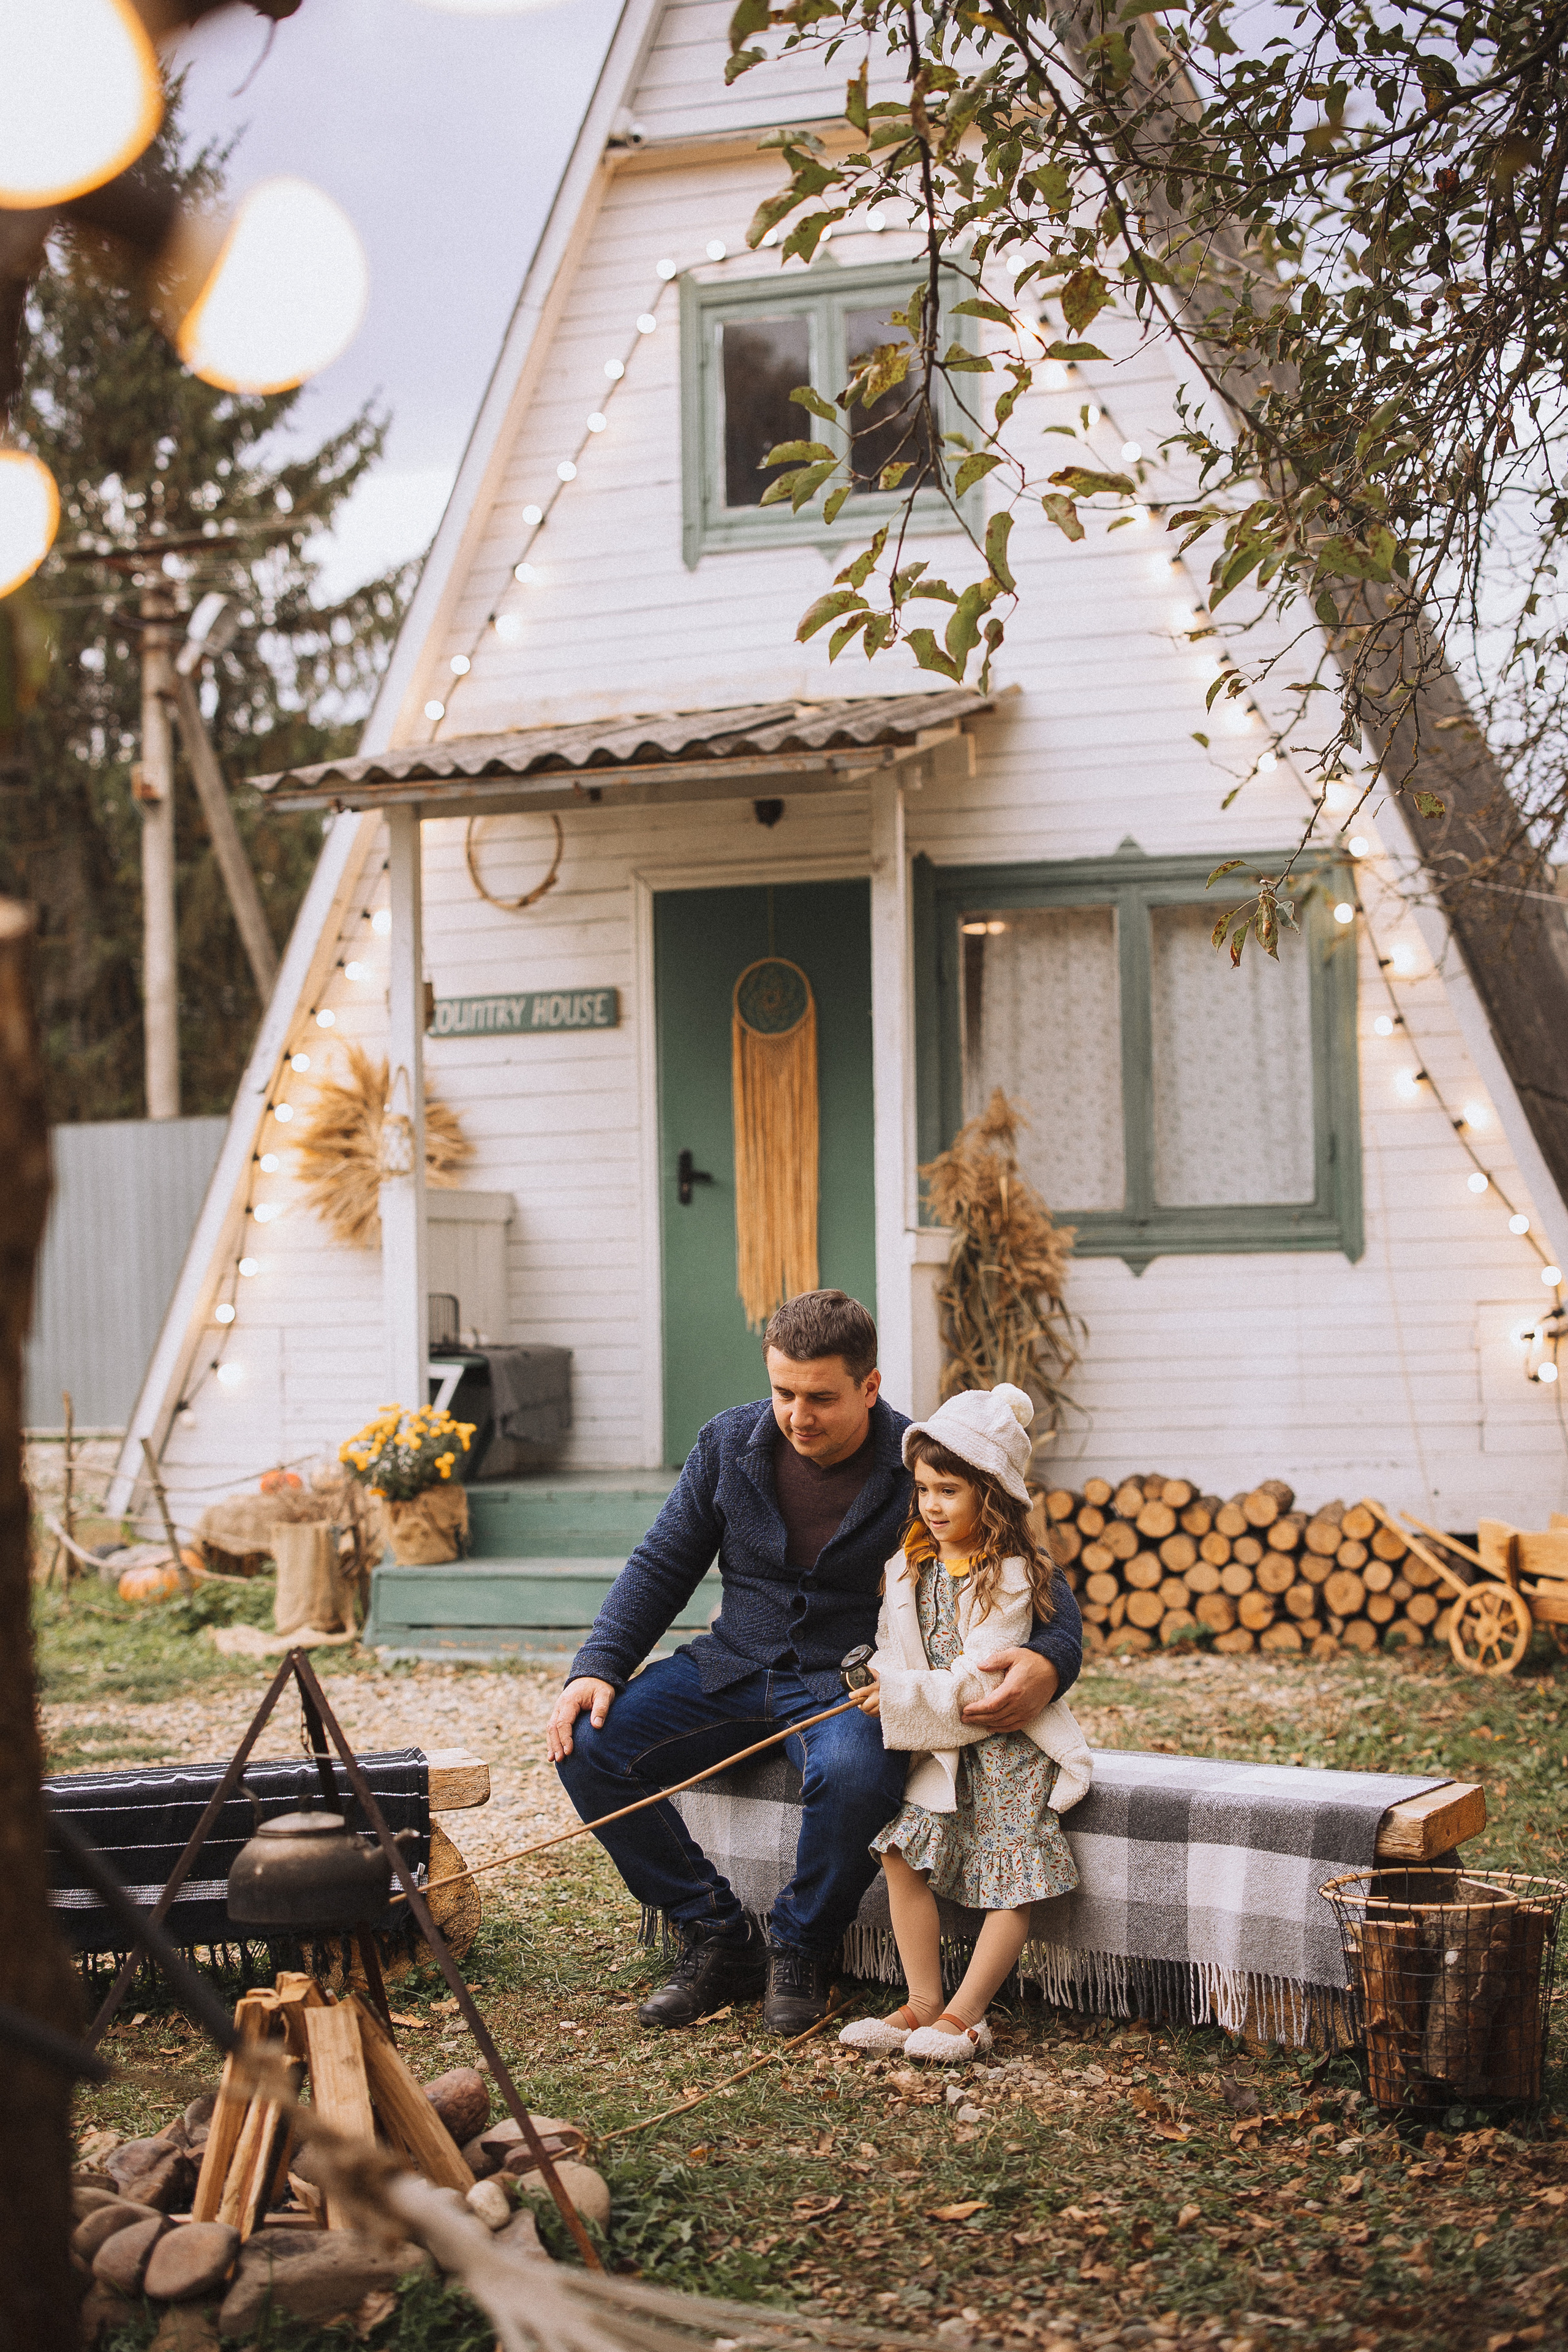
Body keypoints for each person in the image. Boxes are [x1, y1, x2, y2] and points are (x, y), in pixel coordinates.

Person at [547, 1290, 1084, 2036]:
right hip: (730, 1665)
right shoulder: (727, 1443)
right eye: (783, 1393)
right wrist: (598, 1664)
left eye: (821, 1398)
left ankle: (801, 1947)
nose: (797, 1416)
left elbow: (1029, 1567)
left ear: (869, 1386)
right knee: (589, 1745)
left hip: (849, 1685)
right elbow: (663, 1560)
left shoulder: (918, 1459)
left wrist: (1051, 1660)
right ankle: (715, 1935)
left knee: (859, 1774)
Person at [837, 1385, 1093, 2064]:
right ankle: (921, 2003)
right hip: (941, 1744)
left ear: (993, 1494)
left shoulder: (1009, 1574)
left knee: (1010, 1876)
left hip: (1002, 1744)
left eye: (948, 1491)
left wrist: (899, 1695)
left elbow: (982, 1683)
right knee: (901, 1855)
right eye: (923, 1489)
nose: (931, 1504)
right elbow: (895, 1649)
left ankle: (966, 2016)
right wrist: (879, 1680)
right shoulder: (908, 1568)